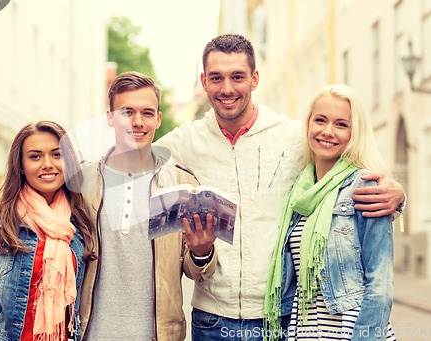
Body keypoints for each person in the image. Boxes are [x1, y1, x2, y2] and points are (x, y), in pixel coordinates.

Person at [155, 34, 405, 340]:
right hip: (212, 320)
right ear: (204, 81)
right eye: (217, 78)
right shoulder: (185, 141)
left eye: (238, 77)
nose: (227, 88)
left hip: (279, 319)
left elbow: (344, 165)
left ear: (255, 79)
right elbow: (129, 166)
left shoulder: (293, 136)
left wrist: (398, 193)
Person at [77, 71, 217, 340]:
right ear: (110, 117)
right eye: (127, 112)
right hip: (89, 334)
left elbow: (198, 272)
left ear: (158, 119)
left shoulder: (181, 185)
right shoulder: (83, 183)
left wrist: (202, 251)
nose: (138, 122)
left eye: (147, 113)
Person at [264, 84, 395, 340]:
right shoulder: (298, 193)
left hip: (351, 332)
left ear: (354, 132)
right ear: (308, 125)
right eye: (320, 120)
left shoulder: (366, 186)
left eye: (341, 124)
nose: (327, 131)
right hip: (304, 332)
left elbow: (380, 283)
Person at [0, 121, 95, 341]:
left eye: (56, 155)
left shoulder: (79, 226)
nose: (47, 164)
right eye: (35, 156)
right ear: (21, 167)